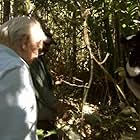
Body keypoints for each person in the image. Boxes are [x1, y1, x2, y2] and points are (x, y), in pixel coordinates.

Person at [0, 16, 48, 140]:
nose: (37, 55)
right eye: (38, 49)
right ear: (25, 42)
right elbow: (16, 133)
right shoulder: (15, 68)